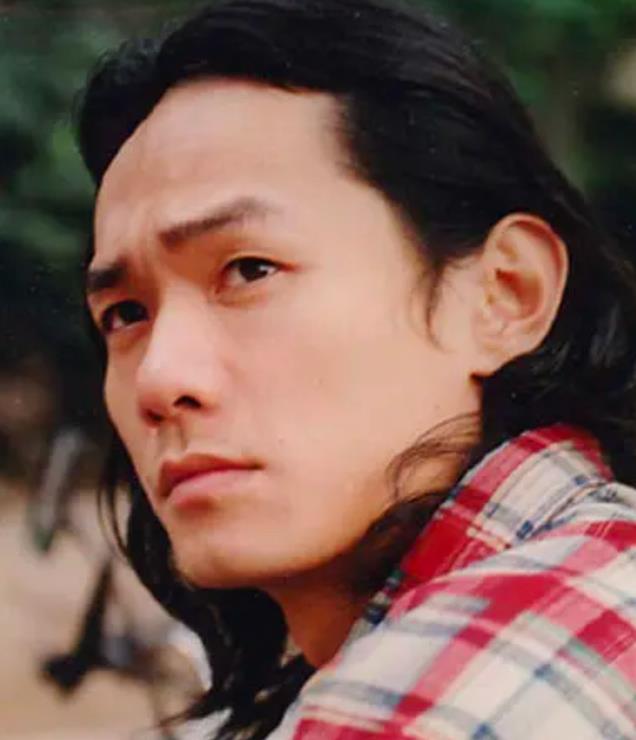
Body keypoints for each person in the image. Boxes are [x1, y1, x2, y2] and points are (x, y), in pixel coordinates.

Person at [77, 0, 636, 737]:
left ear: (505, 294)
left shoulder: (437, 701)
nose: (158, 378)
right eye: (125, 314)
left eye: (249, 270)